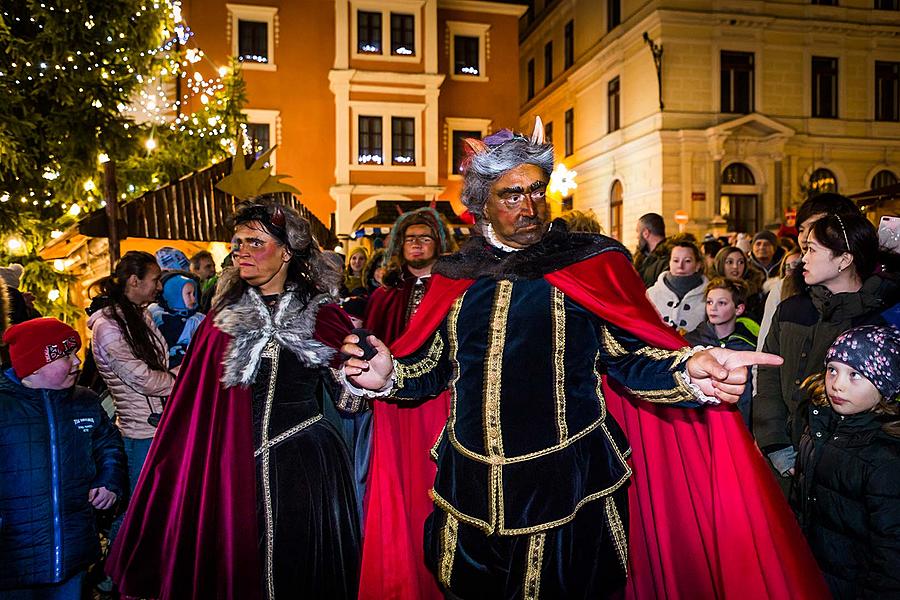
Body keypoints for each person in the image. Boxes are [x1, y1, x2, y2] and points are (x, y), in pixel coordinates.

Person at [340, 123, 826, 599]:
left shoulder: (587, 264)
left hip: (568, 489)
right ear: (480, 203)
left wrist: (687, 369)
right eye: (512, 195)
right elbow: (433, 370)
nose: (530, 207)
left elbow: (630, 357)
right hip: (469, 490)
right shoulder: (455, 274)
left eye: (536, 191)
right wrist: (389, 377)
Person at [106, 197, 361, 600]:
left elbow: (351, 405)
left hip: (306, 468)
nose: (241, 251)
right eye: (237, 242)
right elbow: (193, 411)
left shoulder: (323, 315)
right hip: (231, 469)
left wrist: (358, 376)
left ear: (287, 251)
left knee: (301, 572)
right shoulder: (220, 321)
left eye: (254, 242)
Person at [754, 212, 898, 491]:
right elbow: (768, 376)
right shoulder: (791, 309)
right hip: (782, 461)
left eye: (812, 249)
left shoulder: (880, 321)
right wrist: (776, 444)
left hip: (846, 472)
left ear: (844, 260)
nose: (802, 258)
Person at [358, 207, 455, 600]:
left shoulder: (455, 290)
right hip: (393, 406)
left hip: (441, 403)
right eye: (410, 238)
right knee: (400, 485)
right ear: (400, 246)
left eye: (425, 237)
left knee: (436, 482)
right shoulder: (385, 296)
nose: (416, 244)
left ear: (439, 244)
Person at [0, 318, 126, 598]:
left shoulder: (85, 400)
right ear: (34, 364)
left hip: (72, 550)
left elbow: (109, 446)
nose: (78, 361)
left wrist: (110, 481)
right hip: (13, 558)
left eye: (76, 352)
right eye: (66, 355)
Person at [795, 325, 900, 598]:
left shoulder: (885, 458)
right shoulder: (819, 425)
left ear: (885, 385)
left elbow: (892, 550)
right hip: (811, 571)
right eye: (832, 369)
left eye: (855, 375)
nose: (837, 384)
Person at [87, 251, 175, 547]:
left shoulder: (139, 315)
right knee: (138, 507)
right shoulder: (108, 326)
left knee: (155, 505)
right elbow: (142, 378)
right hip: (140, 430)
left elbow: (155, 368)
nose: (159, 287)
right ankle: (112, 574)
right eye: (155, 280)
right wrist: (179, 380)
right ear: (134, 281)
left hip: (157, 424)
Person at [685, 278, 758, 427]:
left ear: (739, 309)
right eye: (710, 302)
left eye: (722, 303)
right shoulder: (690, 342)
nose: (713, 308)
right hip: (699, 424)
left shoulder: (748, 345)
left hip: (739, 425)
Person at [646, 239, 709, 333]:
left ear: (698, 265)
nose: (680, 265)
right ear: (669, 263)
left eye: (687, 261)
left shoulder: (709, 295)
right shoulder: (651, 294)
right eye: (675, 260)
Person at [147, 271, 205, 369]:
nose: (194, 299)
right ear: (173, 295)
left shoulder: (198, 320)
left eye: (194, 294)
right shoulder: (153, 314)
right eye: (188, 294)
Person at [711, 246, 766, 320]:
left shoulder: (755, 292)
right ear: (720, 264)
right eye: (729, 262)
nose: (735, 266)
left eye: (741, 262)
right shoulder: (711, 290)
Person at [633, 212, 669, 287]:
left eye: (637, 232)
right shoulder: (640, 258)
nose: (637, 237)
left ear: (646, 233)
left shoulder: (667, 259)